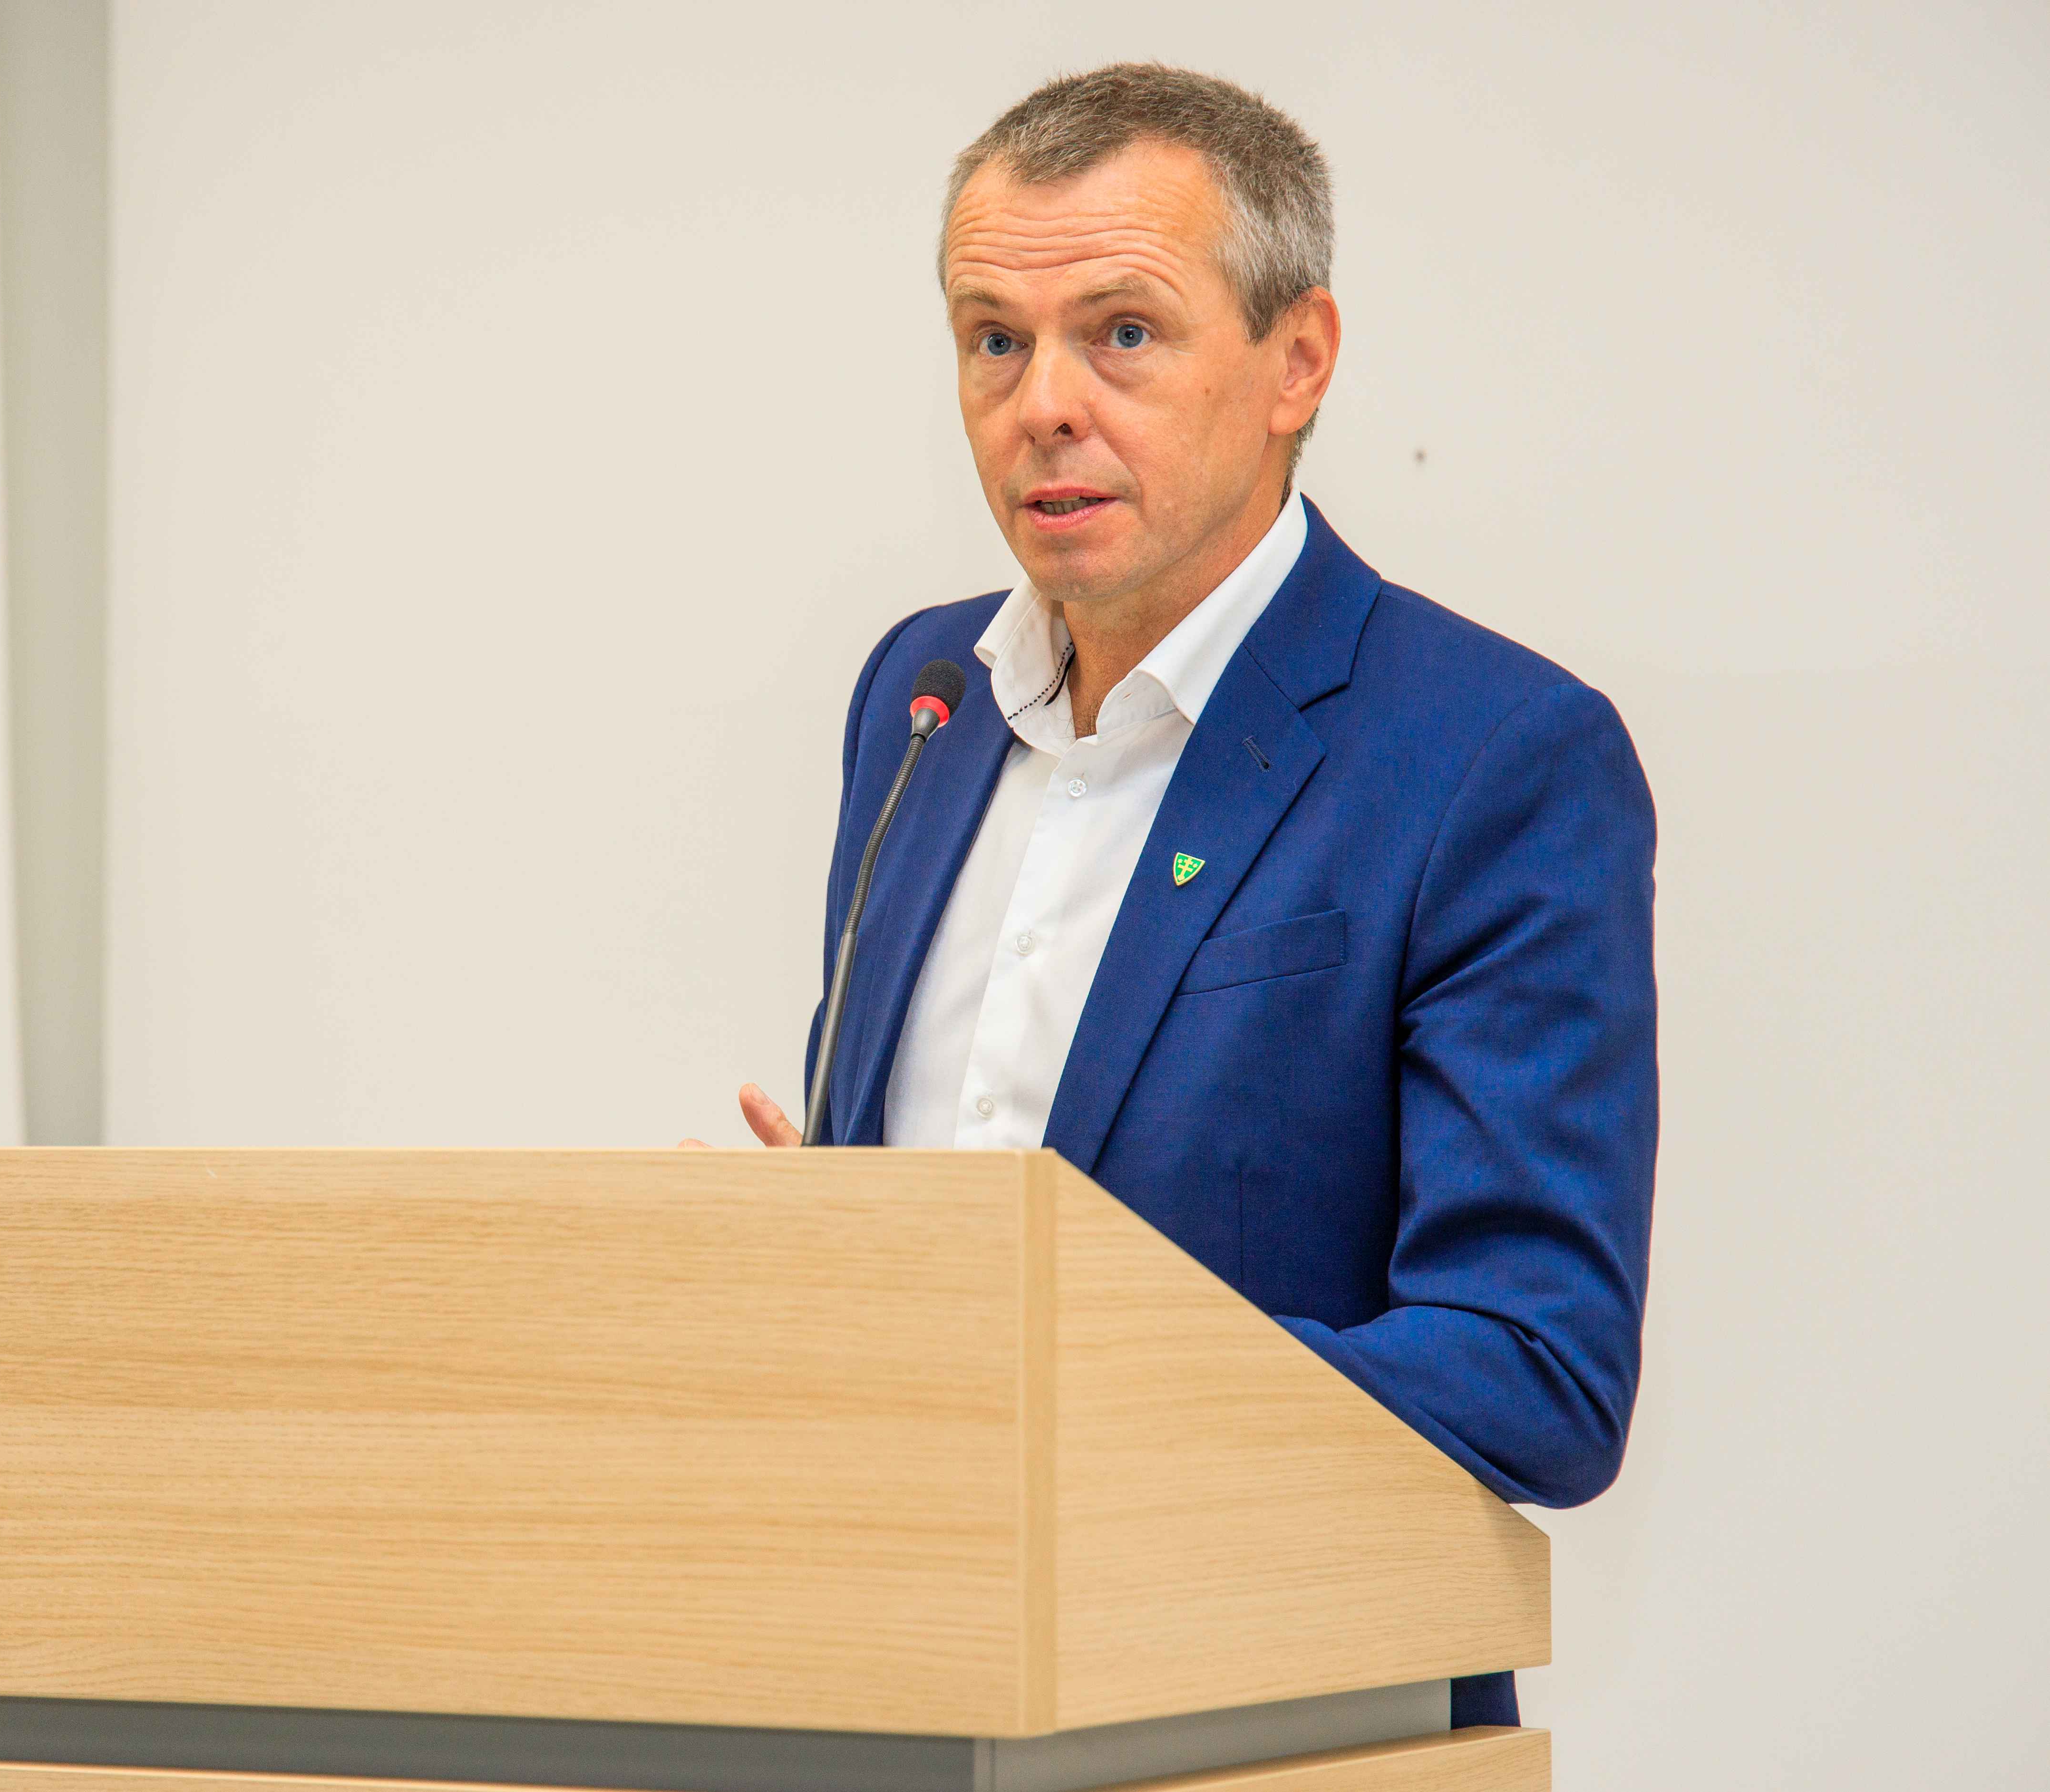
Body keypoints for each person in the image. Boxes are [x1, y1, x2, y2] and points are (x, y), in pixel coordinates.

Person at [693, 64, 1656, 1730]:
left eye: (1122, 333)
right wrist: (821, 1273)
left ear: (1300, 362)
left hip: (1269, 1713)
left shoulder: (1493, 757)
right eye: (995, 340)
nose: (1044, 404)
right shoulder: (919, 697)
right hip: (895, 1679)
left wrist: (1038, 1356)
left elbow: (1537, 1366)